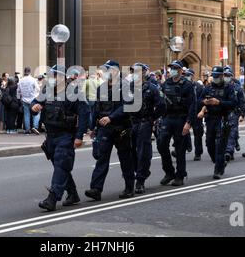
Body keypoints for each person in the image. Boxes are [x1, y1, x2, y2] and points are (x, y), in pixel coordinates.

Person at [31, 65, 89, 211]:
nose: (52, 79)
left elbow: (84, 115)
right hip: (50, 136)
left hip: (66, 135)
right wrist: (35, 107)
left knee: (61, 165)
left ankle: (52, 198)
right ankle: (73, 193)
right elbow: (34, 102)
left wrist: (79, 136)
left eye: (55, 76)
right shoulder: (47, 91)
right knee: (61, 167)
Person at [85, 60, 136, 201]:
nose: (105, 72)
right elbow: (96, 108)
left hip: (121, 129)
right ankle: (96, 189)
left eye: (107, 69)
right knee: (102, 158)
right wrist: (93, 127)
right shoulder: (102, 87)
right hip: (105, 129)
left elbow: (127, 106)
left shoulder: (125, 86)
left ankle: (129, 187)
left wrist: (111, 117)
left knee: (125, 159)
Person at [157, 60, 195, 186]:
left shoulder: (187, 85)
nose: (172, 70)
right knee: (161, 145)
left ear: (180, 70)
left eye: (175, 68)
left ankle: (180, 175)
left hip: (181, 118)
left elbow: (192, 106)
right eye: (171, 67)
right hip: (168, 118)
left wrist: (188, 123)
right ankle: (169, 172)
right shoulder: (166, 83)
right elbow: (161, 101)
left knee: (180, 149)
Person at [129, 62, 166, 193]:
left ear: (144, 72)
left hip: (145, 122)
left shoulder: (152, 88)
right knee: (131, 152)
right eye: (133, 71)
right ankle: (139, 172)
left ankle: (140, 180)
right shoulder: (128, 88)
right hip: (131, 122)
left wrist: (152, 118)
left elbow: (161, 105)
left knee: (143, 152)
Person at [199, 66, 237, 179]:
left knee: (220, 145)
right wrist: (204, 101)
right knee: (209, 143)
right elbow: (199, 100)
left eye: (217, 76)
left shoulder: (228, 88)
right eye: (213, 76)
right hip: (210, 118)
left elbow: (233, 103)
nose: (215, 78)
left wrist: (219, 102)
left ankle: (218, 170)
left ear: (222, 76)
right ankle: (219, 162)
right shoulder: (208, 88)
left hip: (223, 118)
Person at [224, 66, 245, 161]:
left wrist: (242, 114)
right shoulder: (220, 87)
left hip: (234, 112)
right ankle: (232, 146)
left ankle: (229, 151)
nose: (226, 77)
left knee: (232, 132)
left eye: (228, 75)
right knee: (223, 133)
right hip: (222, 113)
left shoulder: (237, 88)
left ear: (232, 76)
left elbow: (242, 102)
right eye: (225, 75)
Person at [184, 68, 205, 161]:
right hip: (186, 113)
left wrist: (201, 111)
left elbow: (202, 100)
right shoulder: (183, 86)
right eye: (185, 75)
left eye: (188, 75)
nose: (186, 77)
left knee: (197, 133)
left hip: (196, 113)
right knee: (183, 132)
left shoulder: (199, 87)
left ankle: (198, 153)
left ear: (192, 76)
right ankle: (183, 148)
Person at [17, 67, 41, 135]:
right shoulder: (33, 80)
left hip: (24, 99)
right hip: (33, 99)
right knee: (36, 113)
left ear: (24, 72)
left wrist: (19, 98)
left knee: (26, 114)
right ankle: (35, 127)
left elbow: (18, 91)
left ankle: (27, 129)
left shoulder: (21, 80)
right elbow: (38, 89)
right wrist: (36, 95)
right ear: (30, 72)